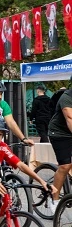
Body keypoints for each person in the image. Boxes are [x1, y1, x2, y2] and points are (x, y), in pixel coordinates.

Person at [46, 82, 72, 214]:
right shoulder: (66, 97)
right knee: (65, 165)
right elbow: (70, 119)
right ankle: (54, 199)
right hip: (59, 133)